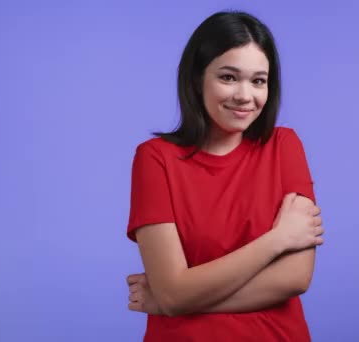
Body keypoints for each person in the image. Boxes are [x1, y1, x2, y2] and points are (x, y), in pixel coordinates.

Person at [125, 10, 324, 342]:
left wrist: (174, 301)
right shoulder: (155, 158)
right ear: (195, 79)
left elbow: (294, 277)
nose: (245, 95)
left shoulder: (284, 146)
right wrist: (277, 240)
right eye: (229, 77)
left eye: (258, 80)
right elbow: (173, 292)